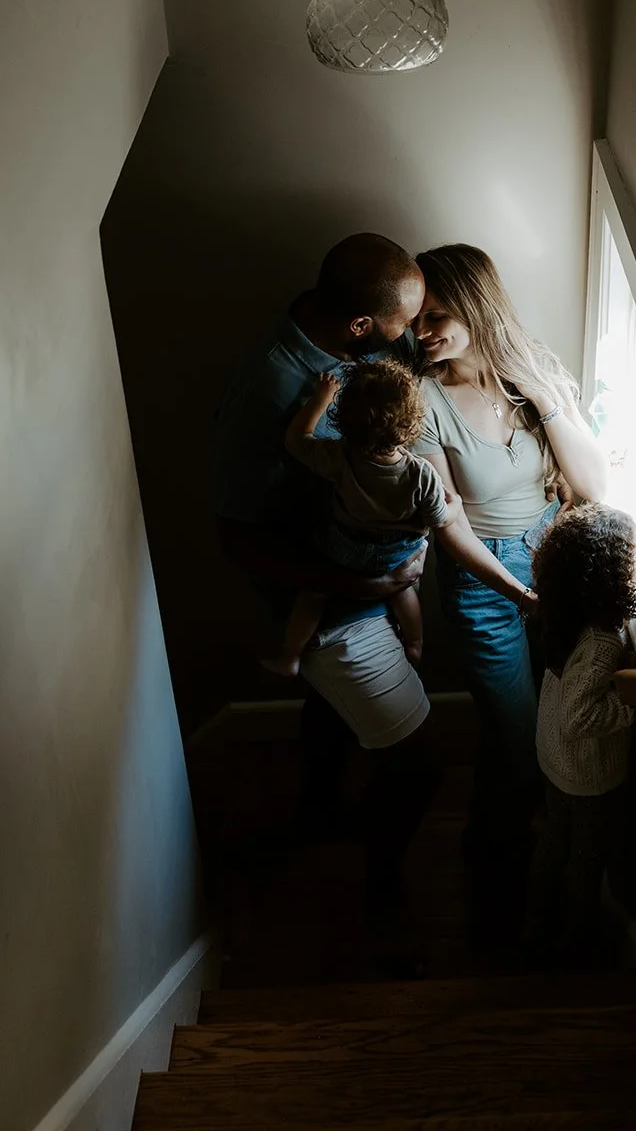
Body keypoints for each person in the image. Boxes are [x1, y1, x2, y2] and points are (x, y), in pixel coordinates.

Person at [214, 233, 437, 917]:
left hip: (369, 583)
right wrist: (355, 587)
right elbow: (237, 534)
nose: (413, 342)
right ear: (361, 326)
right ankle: (380, 889)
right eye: (405, 327)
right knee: (416, 760)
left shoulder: (367, 347)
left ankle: (319, 804)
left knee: (332, 715)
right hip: (329, 602)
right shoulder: (272, 388)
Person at [411, 243, 609, 896]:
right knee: (517, 730)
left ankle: (500, 843)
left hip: (550, 556)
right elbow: (449, 526)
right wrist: (519, 594)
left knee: (541, 723)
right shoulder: (423, 399)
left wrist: (545, 399)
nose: (421, 331)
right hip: (483, 581)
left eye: (435, 314)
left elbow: (590, 482)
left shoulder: (528, 375)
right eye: (415, 316)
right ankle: (498, 855)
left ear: (474, 305)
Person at [270, 361, 538, 675]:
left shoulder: (339, 456)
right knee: (404, 592)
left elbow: (297, 439)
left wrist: (321, 398)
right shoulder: (420, 474)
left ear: (346, 419)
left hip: (345, 546)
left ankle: (290, 656)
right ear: (411, 422)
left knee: (312, 594)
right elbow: (440, 519)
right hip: (396, 553)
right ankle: (415, 643)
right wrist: (454, 502)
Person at [522, 504, 636, 966]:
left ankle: (533, 931)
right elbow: (579, 718)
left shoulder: (561, 618)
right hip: (587, 776)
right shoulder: (602, 641)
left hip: (554, 760)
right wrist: (631, 698)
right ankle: (575, 945)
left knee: (552, 841)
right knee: (587, 859)